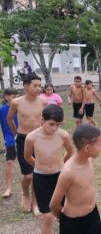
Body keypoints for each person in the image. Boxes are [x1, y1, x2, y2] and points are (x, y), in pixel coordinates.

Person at [24, 105, 73, 234]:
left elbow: (70, 151)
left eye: (58, 124)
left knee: (64, 212)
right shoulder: (31, 137)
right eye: (51, 124)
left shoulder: (63, 135)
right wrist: (38, 165)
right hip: (41, 178)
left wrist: (61, 163)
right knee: (47, 216)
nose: (54, 128)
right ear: (42, 120)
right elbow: (27, 156)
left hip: (60, 176)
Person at [50, 124, 101, 234]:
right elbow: (54, 204)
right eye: (99, 145)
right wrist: (65, 220)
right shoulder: (68, 172)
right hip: (73, 223)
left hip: (93, 215)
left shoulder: (89, 160)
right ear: (87, 148)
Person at [7, 72, 47, 214]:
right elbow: (10, 118)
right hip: (23, 139)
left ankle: (35, 204)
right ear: (26, 86)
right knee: (28, 176)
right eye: (35, 86)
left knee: (37, 173)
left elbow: (45, 121)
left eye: (40, 86)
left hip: (39, 139)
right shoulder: (16, 102)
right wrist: (16, 134)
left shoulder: (43, 102)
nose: (38, 89)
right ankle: (25, 192)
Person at [0, 87, 18, 198]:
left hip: (24, 138)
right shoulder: (2, 110)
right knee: (9, 163)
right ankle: (9, 188)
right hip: (10, 139)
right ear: (6, 97)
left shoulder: (21, 108)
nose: (15, 99)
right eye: (13, 97)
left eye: (16, 97)